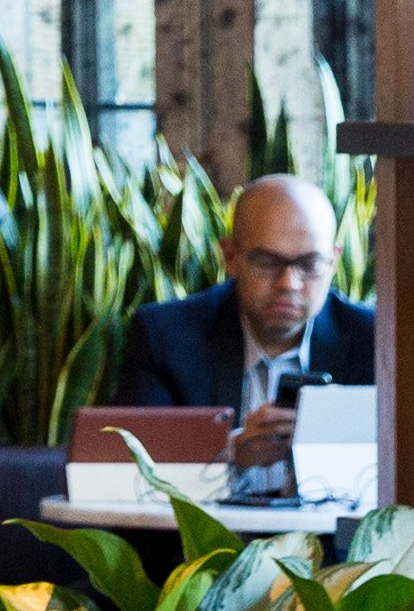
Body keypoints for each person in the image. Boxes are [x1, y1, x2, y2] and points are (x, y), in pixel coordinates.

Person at [112, 175, 370, 480]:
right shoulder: (167, 336)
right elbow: (125, 467)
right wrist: (230, 452)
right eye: (267, 262)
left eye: (310, 264)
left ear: (334, 260)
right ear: (231, 257)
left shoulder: (373, 340)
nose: (289, 283)